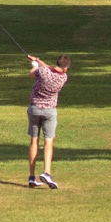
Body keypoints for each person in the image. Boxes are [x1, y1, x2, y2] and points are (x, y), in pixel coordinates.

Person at [26, 54, 70, 189]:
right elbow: (50, 69)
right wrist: (38, 60)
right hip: (49, 111)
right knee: (48, 143)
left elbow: (32, 74)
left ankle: (32, 177)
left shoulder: (43, 72)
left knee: (34, 141)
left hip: (34, 109)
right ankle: (46, 172)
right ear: (66, 68)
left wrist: (34, 65)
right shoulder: (63, 77)